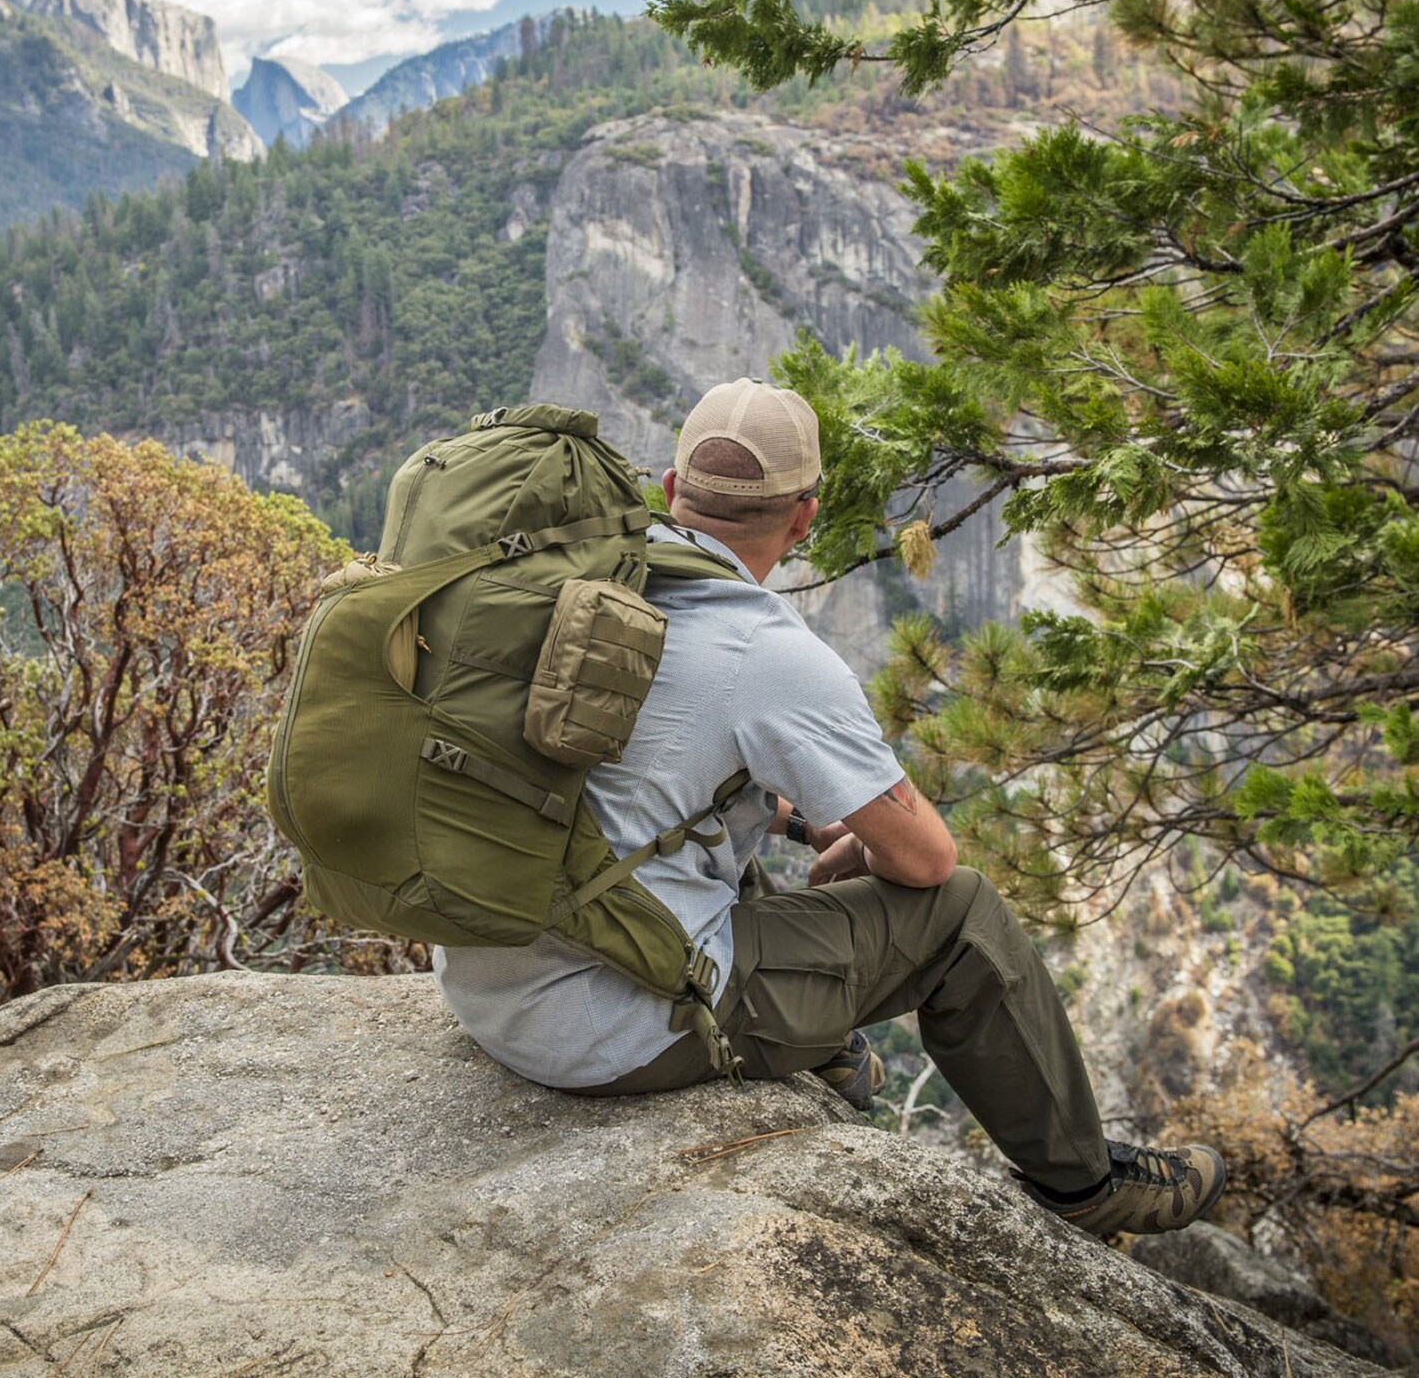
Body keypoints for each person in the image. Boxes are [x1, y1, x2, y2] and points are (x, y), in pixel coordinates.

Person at [434, 377, 1224, 1239]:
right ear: (804, 517)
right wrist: (873, 847)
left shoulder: (581, 588)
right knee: (963, 918)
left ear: (668, 491)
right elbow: (926, 863)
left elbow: (630, 780)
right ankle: (1084, 1184)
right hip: (599, 1032)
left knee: (733, 877)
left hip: (486, 982)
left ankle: (821, 1048)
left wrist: (808, 824)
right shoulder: (767, 652)